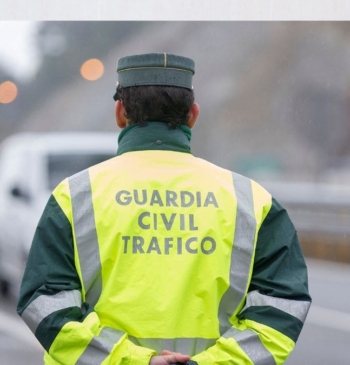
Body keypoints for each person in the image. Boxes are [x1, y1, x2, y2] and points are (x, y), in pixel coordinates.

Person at [17, 52, 311, 365]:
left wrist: (132, 360)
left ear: (120, 113)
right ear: (193, 115)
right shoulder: (252, 200)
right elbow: (282, 307)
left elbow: (45, 306)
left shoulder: (74, 196)